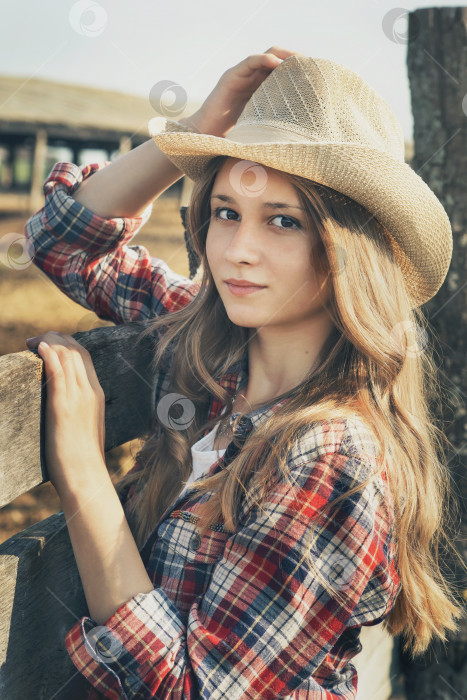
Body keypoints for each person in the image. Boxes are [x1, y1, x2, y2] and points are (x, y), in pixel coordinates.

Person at [24, 48, 465, 699]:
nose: (236, 252)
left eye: (282, 221)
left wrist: (84, 475)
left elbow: (192, 690)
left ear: (349, 246)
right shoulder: (208, 349)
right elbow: (62, 240)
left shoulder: (330, 458)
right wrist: (193, 132)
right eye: (226, 211)